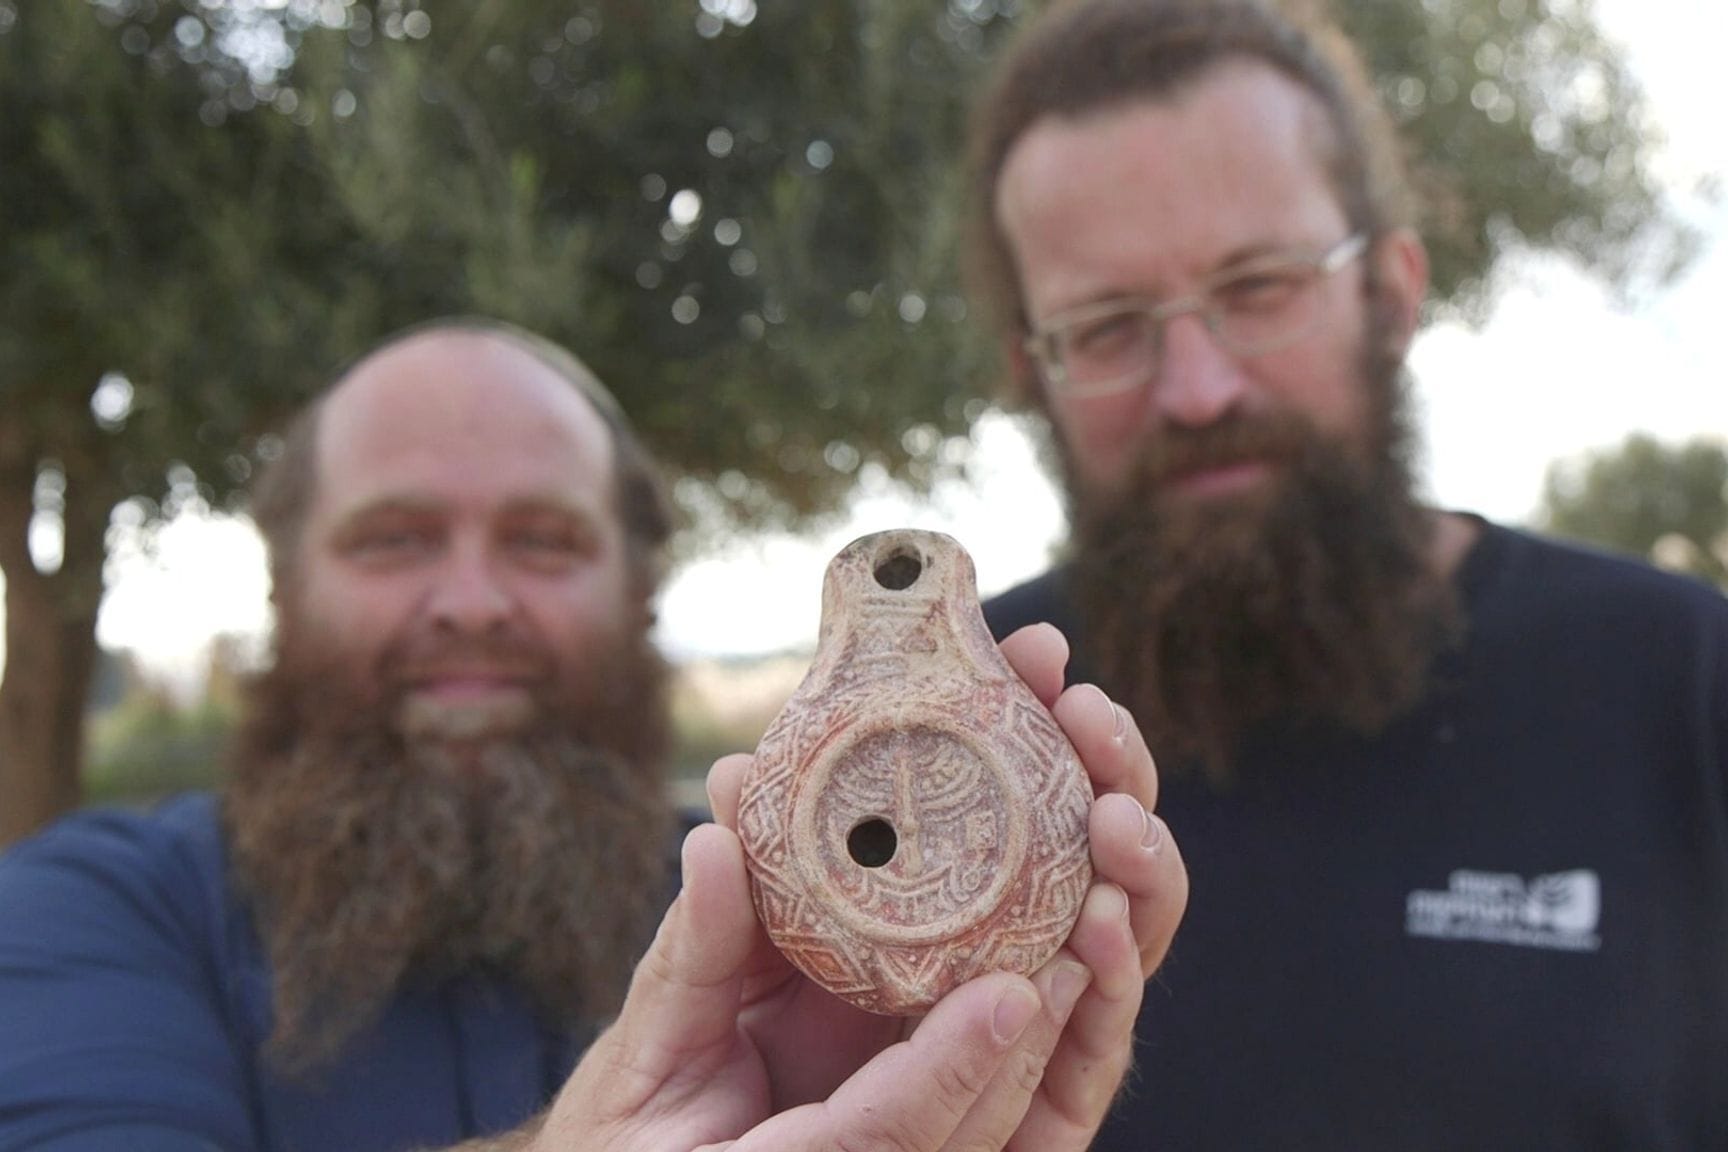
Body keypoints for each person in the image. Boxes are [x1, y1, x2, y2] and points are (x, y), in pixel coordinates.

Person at [0, 319, 1189, 1151]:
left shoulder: (777, 916)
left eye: (543, 539)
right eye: (394, 538)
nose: (471, 599)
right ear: (284, 589)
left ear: (638, 590)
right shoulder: (92, 915)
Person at [965, 0, 1728, 1147]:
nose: (1197, 390)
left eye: (1260, 286)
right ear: (1036, 370)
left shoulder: (1687, 685)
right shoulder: (956, 728)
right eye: (1109, 325)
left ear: (1392, 292)